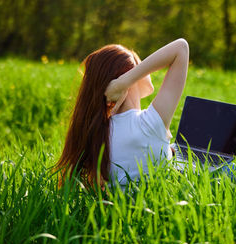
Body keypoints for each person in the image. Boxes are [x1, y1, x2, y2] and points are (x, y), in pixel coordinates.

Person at [56, 39, 189, 188]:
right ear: (127, 76)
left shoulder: (97, 134)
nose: (147, 68)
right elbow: (181, 48)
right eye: (140, 66)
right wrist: (123, 83)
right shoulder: (150, 123)